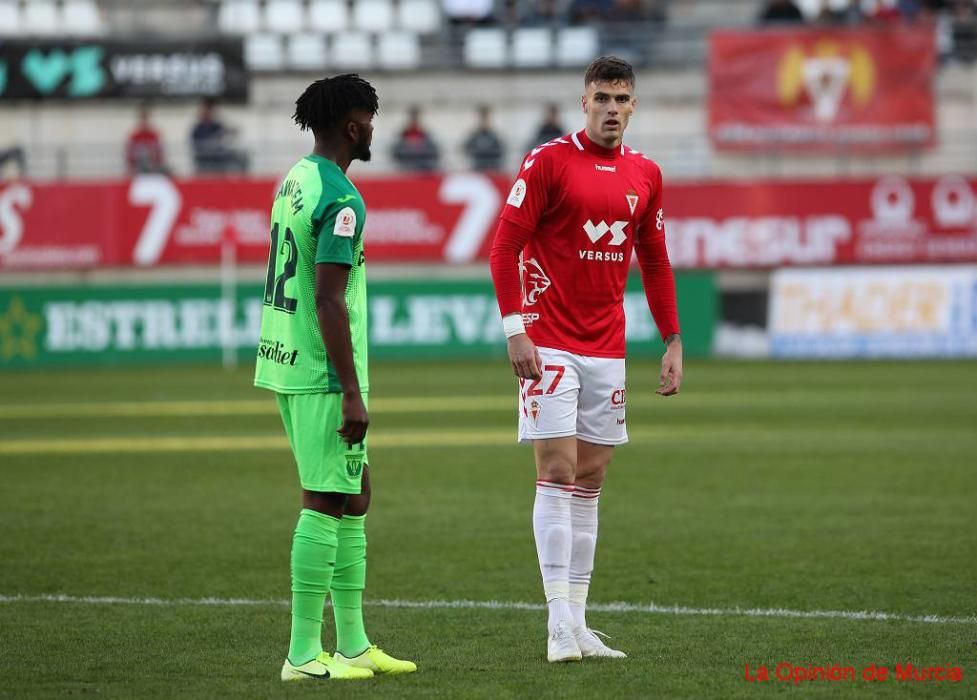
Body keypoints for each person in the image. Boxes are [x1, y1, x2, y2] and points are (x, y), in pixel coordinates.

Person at [489, 56, 682, 663]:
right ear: (584, 102)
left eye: (622, 99)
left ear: (633, 105)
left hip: (608, 347)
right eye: (602, 98)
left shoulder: (645, 174)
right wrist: (516, 331)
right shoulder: (548, 162)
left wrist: (672, 338)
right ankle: (555, 625)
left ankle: (578, 622)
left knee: (592, 480)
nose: (612, 109)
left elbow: (653, 259)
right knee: (558, 471)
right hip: (547, 340)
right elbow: (504, 247)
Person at [253, 74, 417, 682]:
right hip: (322, 373)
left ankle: (351, 643)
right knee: (325, 498)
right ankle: (302, 653)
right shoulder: (341, 197)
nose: (374, 127)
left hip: (285, 357)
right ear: (353, 124)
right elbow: (328, 298)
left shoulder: (295, 179)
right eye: (370, 118)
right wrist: (351, 390)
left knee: (355, 493)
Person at [190, 98, 248, 174]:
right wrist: (214, 140)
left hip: (219, 155)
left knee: (242, 157)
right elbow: (200, 146)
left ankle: (241, 182)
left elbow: (228, 131)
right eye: (209, 109)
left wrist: (230, 130)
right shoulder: (198, 129)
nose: (211, 112)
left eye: (212, 110)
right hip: (207, 159)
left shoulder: (216, 125)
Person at [391, 105, 440, 172]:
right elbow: (396, 154)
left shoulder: (425, 135)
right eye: (412, 116)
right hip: (405, 169)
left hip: (423, 169)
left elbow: (434, 153)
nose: (414, 118)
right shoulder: (402, 136)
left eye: (416, 116)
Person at [125, 104, 166, 175]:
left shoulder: (154, 135)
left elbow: (160, 153)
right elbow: (130, 155)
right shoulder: (135, 136)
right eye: (143, 118)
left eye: (146, 118)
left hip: (153, 167)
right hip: (138, 167)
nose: (144, 121)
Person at [463, 104, 505, 171]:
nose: (483, 121)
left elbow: (501, 151)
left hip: (492, 170)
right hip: (477, 170)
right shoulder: (474, 136)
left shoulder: (494, 137)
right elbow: (465, 148)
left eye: (485, 118)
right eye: (482, 118)